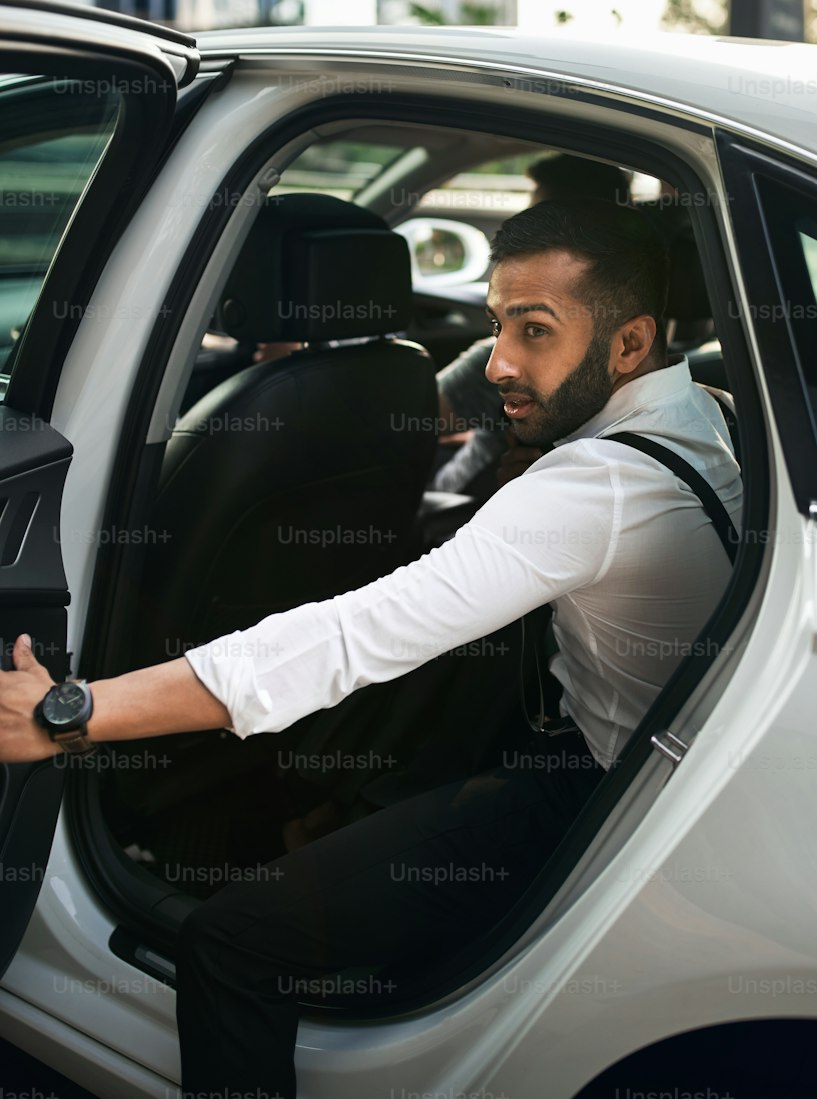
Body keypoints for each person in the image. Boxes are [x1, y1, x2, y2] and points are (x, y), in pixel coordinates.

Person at [0, 198, 741, 1099]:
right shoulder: (706, 412)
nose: (500, 363)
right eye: (498, 322)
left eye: (535, 331)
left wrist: (71, 713)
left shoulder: (597, 486)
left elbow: (350, 636)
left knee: (232, 941)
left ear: (628, 345)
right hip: (630, 764)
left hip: (596, 794)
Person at [434, 151, 632, 496]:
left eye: (536, 330)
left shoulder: (511, 364)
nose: (496, 371)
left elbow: (397, 423)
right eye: (497, 327)